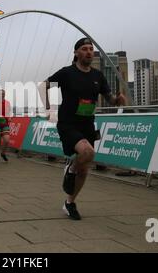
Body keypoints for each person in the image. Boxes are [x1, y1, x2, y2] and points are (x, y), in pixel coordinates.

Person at [39, 37, 126, 220]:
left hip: (87, 124)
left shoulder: (98, 76)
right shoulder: (67, 73)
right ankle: (70, 169)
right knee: (87, 152)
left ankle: (70, 202)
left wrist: (117, 101)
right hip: (68, 123)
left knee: (84, 168)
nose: (89, 52)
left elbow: (109, 99)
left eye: (91, 49)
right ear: (76, 53)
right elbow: (42, 86)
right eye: (85, 49)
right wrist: (48, 109)